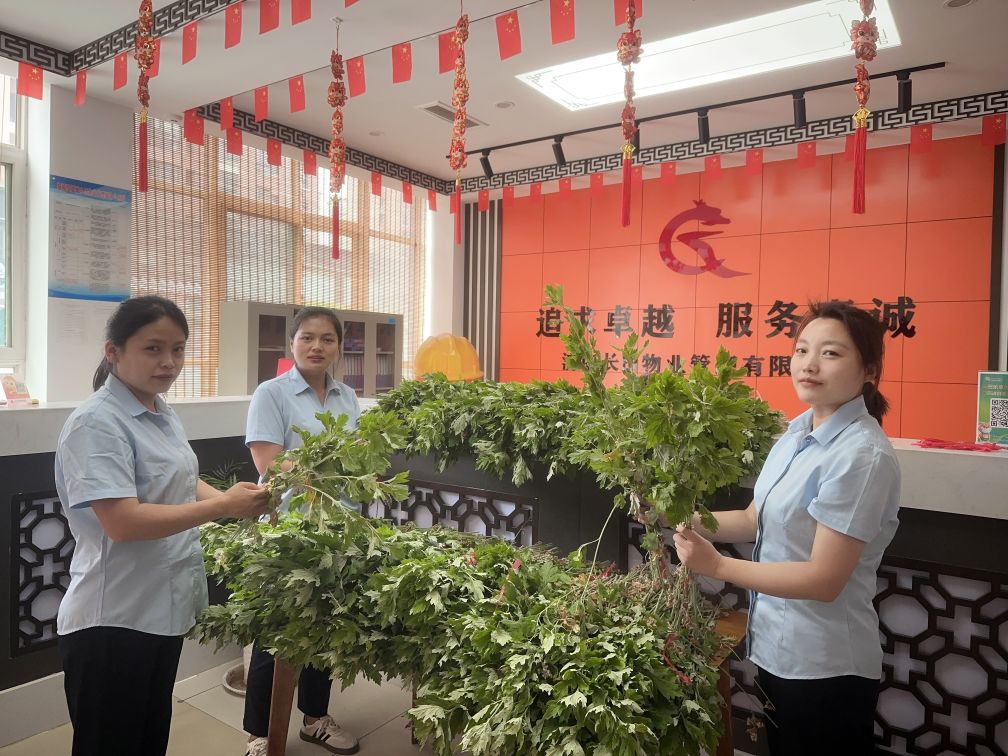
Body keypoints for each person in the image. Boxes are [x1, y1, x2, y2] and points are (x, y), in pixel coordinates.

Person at [673, 300, 900, 756]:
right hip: (778, 651)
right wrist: (679, 517)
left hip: (826, 665)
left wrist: (717, 566)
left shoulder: (862, 456)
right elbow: (754, 519)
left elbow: (823, 579)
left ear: (869, 371)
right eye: (801, 350)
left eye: (830, 353)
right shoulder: (796, 434)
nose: (809, 364)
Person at [55, 295, 272, 756]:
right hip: (114, 619)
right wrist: (222, 507)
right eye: (153, 348)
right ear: (113, 351)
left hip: (161, 611)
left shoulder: (159, 410)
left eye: (177, 349)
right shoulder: (95, 423)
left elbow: (183, 479)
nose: (169, 362)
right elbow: (122, 522)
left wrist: (237, 502)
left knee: (149, 738)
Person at [242, 306, 362, 756]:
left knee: (323, 628)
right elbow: (269, 462)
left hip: (337, 528)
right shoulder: (271, 394)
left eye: (327, 339)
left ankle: (315, 719)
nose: (317, 346)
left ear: (339, 347)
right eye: (307, 337)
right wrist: (331, 469)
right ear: (291, 343)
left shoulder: (347, 396)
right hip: (287, 530)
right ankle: (259, 733)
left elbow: (359, 457)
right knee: (274, 633)